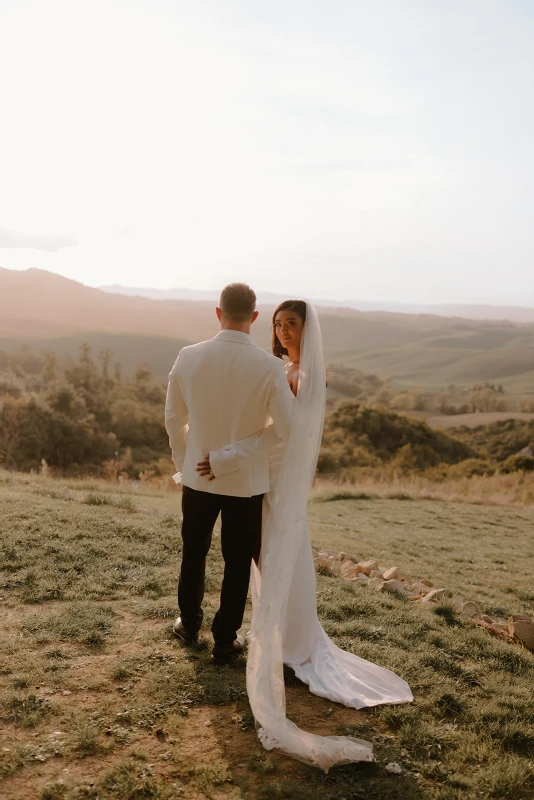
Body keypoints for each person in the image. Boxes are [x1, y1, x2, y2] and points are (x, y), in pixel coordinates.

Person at [196, 300, 413, 771]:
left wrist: (229, 453)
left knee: (278, 556)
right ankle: (277, 632)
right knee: (264, 558)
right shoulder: (278, 368)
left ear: (307, 329)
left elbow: (282, 436)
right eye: (277, 324)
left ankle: (293, 643)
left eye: (291, 324)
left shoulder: (307, 377)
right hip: (259, 477)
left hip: (273, 475)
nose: (283, 330)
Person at [165, 283, 294, 665]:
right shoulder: (270, 366)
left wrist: (186, 464)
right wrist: (236, 455)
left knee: (194, 551)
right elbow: (285, 430)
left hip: (196, 478)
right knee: (237, 561)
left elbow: (174, 421)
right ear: (254, 318)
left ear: (218, 313)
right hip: (246, 482)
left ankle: (188, 625)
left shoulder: (187, 357)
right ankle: (224, 640)